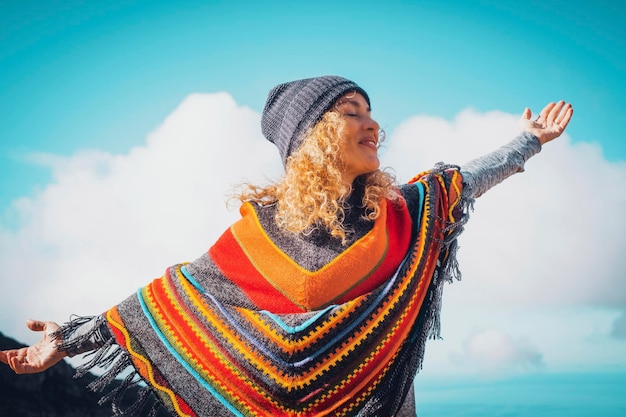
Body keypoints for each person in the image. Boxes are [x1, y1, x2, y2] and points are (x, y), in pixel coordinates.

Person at [0, 75, 573, 417]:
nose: (373, 124)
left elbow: (465, 179)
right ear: (313, 138)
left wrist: (528, 141)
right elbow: (172, 296)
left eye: (372, 113)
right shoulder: (257, 233)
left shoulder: (403, 213)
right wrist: (69, 341)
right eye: (352, 114)